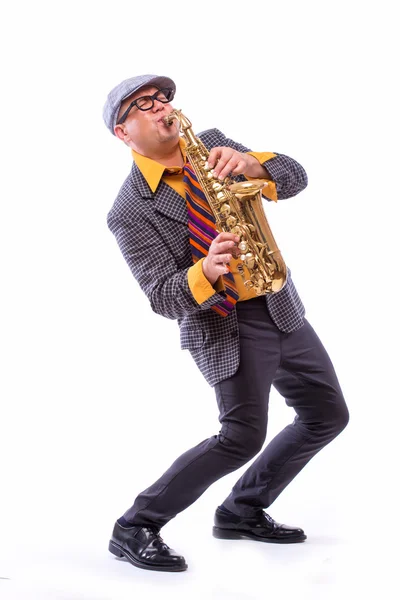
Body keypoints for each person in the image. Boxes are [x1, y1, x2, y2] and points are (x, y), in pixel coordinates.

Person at [103, 74, 349, 572]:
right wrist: (205, 271)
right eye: (141, 105)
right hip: (226, 324)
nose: (159, 108)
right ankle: (136, 524)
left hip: (279, 303)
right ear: (122, 133)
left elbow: (296, 177)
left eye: (163, 99)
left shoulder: (211, 144)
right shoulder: (128, 211)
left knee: (327, 414)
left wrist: (255, 162)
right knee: (240, 435)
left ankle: (241, 510)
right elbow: (161, 298)